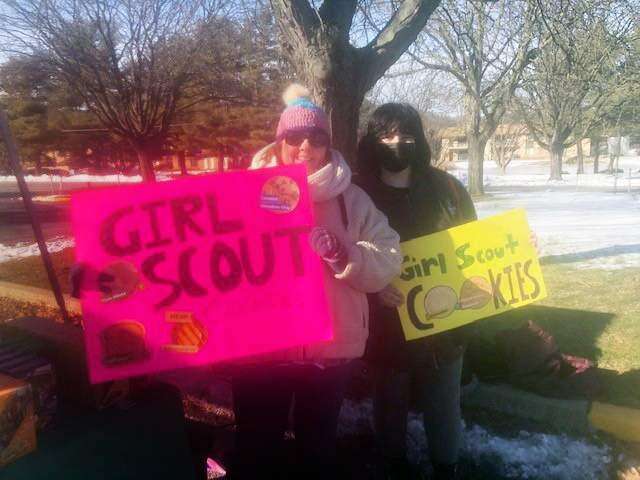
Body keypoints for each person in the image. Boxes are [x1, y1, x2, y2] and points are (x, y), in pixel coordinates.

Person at [230, 85, 402, 479]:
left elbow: (389, 255)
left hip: (330, 352)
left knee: (317, 450)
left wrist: (346, 255)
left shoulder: (352, 199)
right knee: (257, 448)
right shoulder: (241, 194)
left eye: (317, 137)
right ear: (279, 142)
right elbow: (201, 256)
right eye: (294, 137)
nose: (305, 146)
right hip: (263, 350)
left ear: (328, 143)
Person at [356, 103, 477, 480]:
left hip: (445, 323)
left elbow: (474, 244)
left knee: (444, 409)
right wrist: (374, 288)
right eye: (387, 135)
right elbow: (347, 258)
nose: (398, 143)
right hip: (386, 327)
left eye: (407, 134)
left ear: (420, 140)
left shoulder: (447, 188)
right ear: (372, 140)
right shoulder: (357, 195)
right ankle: (393, 467)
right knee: (389, 408)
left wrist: (511, 249)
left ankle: (447, 468)